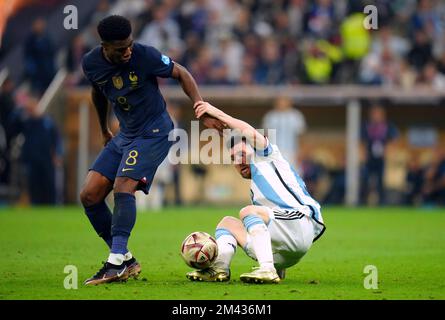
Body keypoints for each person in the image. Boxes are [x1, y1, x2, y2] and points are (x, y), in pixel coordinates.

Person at [80, 15, 222, 286]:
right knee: (89, 195)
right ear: (105, 46)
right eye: (121, 48)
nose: (128, 51)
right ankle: (126, 260)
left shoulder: (144, 56)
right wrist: (103, 129)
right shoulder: (91, 63)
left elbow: (181, 72)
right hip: (125, 134)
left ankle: (115, 262)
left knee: (124, 187)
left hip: (155, 131)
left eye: (129, 44)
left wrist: (200, 108)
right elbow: (98, 92)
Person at [186, 102, 326, 284]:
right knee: (227, 223)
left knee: (248, 212)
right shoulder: (256, 191)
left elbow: (246, 130)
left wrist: (216, 113)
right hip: (283, 254)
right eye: (233, 158)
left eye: (242, 153)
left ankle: (267, 269)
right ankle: (219, 268)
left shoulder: (268, 156)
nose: (239, 160)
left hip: (300, 224)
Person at [360, 103, 399, 205]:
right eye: (374, 114)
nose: (376, 116)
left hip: (382, 158)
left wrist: (388, 151)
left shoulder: (387, 126)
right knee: (366, 180)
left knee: (380, 182)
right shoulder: (366, 126)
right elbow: (362, 141)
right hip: (369, 158)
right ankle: (363, 202)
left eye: (378, 114)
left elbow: (394, 139)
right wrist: (363, 154)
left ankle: (382, 202)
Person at [262, 96, 306, 167]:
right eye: (280, 101)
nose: (282, 103)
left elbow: (300, 136)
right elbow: (266, 136)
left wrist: (301, 152)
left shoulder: (296, 116)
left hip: (292, 151)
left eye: (284, 101)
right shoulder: (270, 116)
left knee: (292, 174)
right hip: (274, 151)